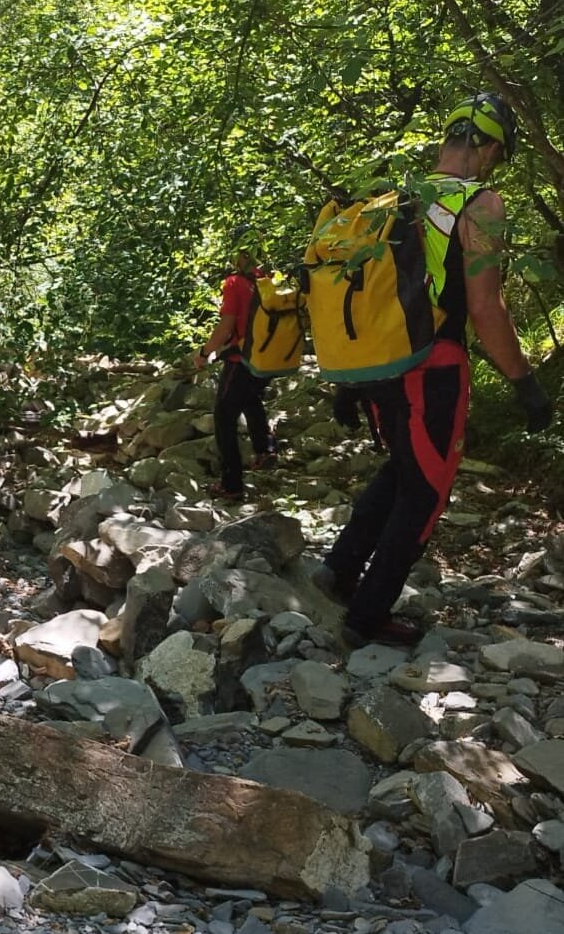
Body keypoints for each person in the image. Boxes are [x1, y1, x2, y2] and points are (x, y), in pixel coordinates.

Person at [316, 92, 554, 648]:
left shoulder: (397, 198)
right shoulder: (479, 204)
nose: (494, 164)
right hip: (435, 367)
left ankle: (337, 571)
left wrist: (350, 380)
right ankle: (365, 618)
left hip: (383, 365)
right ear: (489, 147)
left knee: (402, 469)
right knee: (426, 491)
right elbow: (486, 308)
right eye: (498, 154)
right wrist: (525, 382)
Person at [192, 229, 278, 500]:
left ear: (240, 254)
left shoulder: (234, 283)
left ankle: (231, 485)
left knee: (223, 418)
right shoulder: (266, 280)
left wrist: (204, 352)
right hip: (267, 358)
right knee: (250, 398)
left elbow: (226, 326)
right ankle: (265, 450)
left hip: (241, 358)